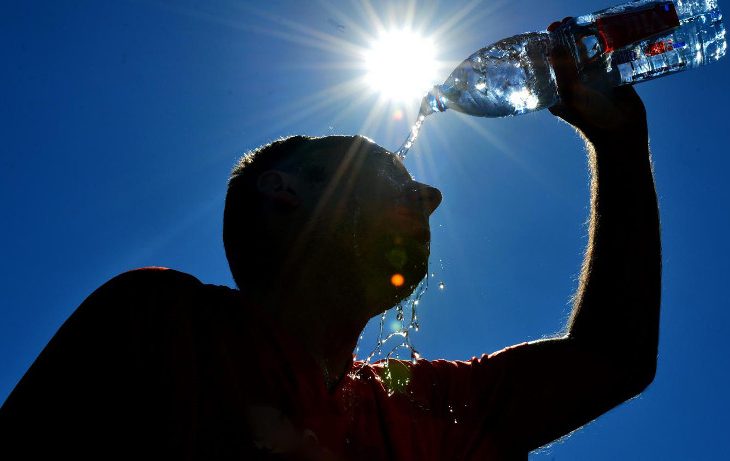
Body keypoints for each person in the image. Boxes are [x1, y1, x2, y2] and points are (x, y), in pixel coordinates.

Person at [0, 20, 661, 460]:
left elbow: (611, 359)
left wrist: (622, 145)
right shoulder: (158, 325)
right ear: (284, 192)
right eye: (385, 168)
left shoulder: (414, 404)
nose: (429, 197)